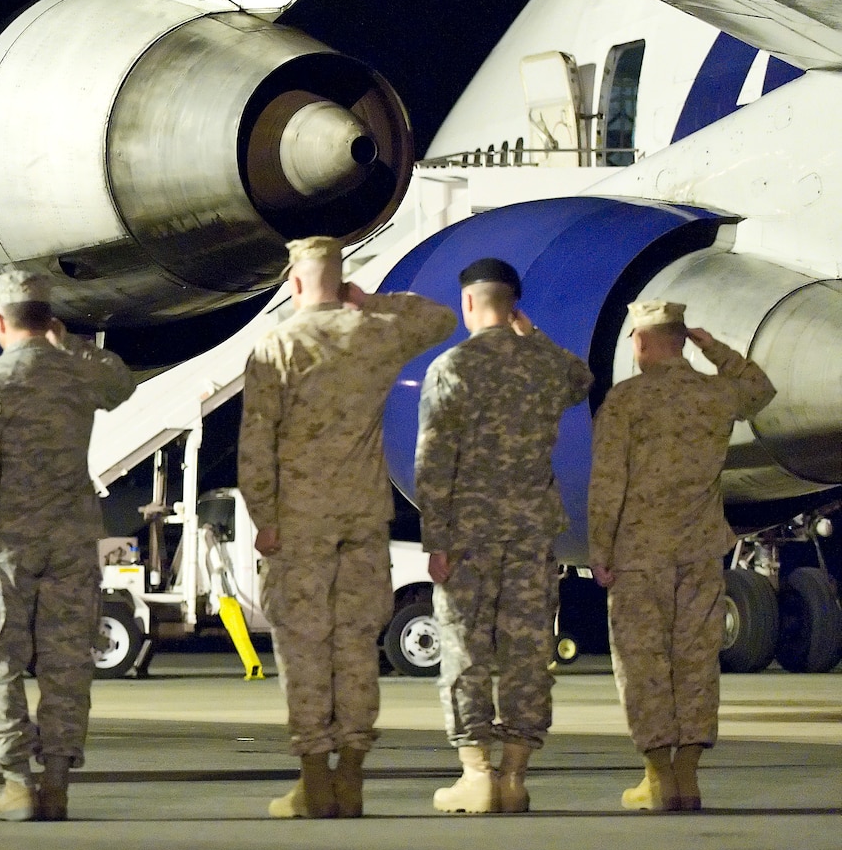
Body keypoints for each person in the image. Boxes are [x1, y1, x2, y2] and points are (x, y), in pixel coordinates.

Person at [238, 237, 455, 819]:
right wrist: (368, 300)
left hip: (300, 520)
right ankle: (352, 777)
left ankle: (314, 781)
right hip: (363, 515)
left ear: (294, 282)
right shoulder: (376, 333)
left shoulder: (277, 345)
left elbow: (256, 445)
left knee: (304, 647)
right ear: (338, 278)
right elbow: (440, 318)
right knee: (357, 645)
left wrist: (264, 519)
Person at [0, 271, 136, 822]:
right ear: (47, 318)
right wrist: (70, 343)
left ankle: (16, 784)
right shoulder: (77, 376)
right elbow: (122, 384)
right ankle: (56, 784)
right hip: (72, 541)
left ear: (0, 321)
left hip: (7, 544)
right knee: (67, 662)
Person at [415, 259, 592, 813]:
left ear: (468, 303)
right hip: (532, 532)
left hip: (469, 535)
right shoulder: (545, 366)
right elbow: (582, 379)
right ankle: (515, 776)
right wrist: (531, 335)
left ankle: (477, 774)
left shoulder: (453, 367)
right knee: (527, 652)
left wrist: (435, 538)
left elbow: (433, 460)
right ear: (513, 306)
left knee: (465, 649)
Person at [588, 299, 775, 812]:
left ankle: (657, 778)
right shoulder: (715, 394)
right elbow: (761, 389)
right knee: (695, 661)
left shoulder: (626, 401)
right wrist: (713, 348)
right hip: (699, 549)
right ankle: (688, 779)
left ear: (643, 341)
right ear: (680, 338)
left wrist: (599, 549)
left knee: (643, 663)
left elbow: (607, 484)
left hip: (637, 555)